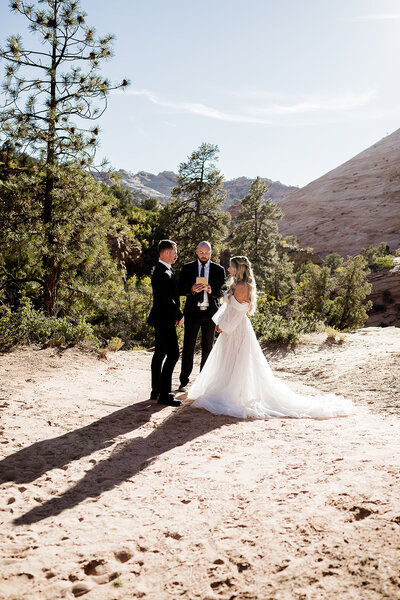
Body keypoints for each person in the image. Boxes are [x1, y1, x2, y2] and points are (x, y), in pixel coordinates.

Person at [188, 256, 353, 419]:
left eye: (231, 267)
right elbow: (230, 309)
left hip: (235, 328)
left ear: (238, 269)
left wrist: (223, 326)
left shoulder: (242, 286)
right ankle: (229, 389)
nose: (229, 269)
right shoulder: (237, 284)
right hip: (232, 326)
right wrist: (222, 323)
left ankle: (235, 394)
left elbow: (237, 312)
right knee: (230, 360)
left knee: (237, 360)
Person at [178, 241, 225, 392]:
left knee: (207, 348)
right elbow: (180, 288)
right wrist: (191, 289)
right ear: (197, 252)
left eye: (207, 252)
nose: (204, 255)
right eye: (202, 252)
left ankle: (203, 382)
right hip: (192, 313)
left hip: (210, 314)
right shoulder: (187, 268)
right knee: (188, 347)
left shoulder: (219, 269)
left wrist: (212, 291)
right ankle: (184, 381)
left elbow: (222, 292)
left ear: (211, 253)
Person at [147, 240, 183, 407]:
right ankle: (165, 395)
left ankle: (156, 390)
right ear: (167, 253)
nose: (176, 255)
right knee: (173, 354)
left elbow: (171, 293)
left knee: (160, 353)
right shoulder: (162, 272)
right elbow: (166, 300)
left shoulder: (164, 270)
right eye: (175, 252)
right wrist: (178, 314)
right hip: (164, 319)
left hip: (162, 318)